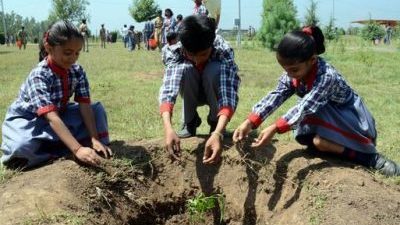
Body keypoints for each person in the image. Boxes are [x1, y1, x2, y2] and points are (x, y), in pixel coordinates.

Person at [233, 26, 400, 177]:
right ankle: (330, 146)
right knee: (316, 141)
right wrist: (251, 121)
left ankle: (370, 158)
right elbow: (276, 95)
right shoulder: (294, 73)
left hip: (351, 120)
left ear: (312, 60)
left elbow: (306, 106)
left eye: (294, 70)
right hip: (326, 115)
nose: (289, 74)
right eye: (285, 70)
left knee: (318, 137)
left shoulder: (327, 76)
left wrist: (275, 128)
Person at [1, 21, 112, 169]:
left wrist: (95, 138)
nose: (73, 58)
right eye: (67, 53)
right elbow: (50, 116)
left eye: (77, 52)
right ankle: (65, 149)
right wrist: (77, 149)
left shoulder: (77, 71)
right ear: (49, 48)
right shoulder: (39, 75)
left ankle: (79, 145)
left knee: (96, 109)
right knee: (22, 146)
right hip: (30, 120)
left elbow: (84, 105)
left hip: (60, 114)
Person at [159, 15, 240, 164]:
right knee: (186, 69)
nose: (197, 60)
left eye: (203, 54)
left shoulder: (223, 50)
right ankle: (190, 121)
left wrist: (218, 132)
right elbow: (168, 90)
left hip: (214, 89)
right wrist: (168, 129)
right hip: (191, 89)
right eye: (191, 55)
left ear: (211, 46)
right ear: (183, 46)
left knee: (214, 70)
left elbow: (228, 94)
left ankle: (215, 122)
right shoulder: (174, 51)